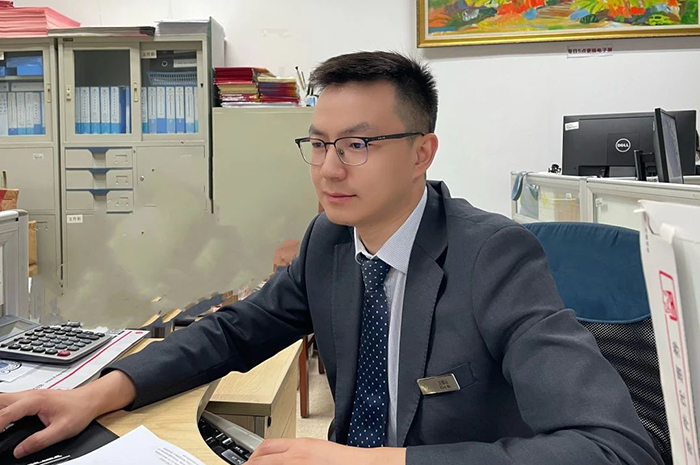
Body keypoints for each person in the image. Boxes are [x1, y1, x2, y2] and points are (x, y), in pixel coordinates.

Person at [0, 52, 663, 465]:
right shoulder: (330, 241)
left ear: (422, 153)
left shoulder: (492, 256)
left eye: (358, 144)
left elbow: (614, 447)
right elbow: (235, 331)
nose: (329, 168)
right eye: (318, 144)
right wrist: (96, 393)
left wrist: (375, 462)